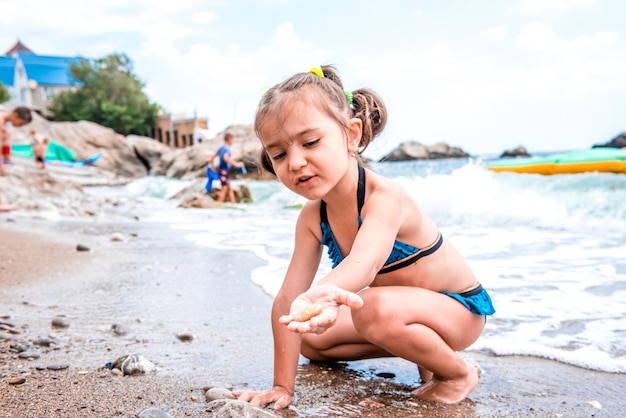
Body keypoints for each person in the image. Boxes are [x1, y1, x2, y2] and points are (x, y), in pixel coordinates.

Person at [233, 65, 495, 409]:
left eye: (310, 142)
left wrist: (321, 297)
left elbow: (365, 265)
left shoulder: (383, 197)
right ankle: (424, 356)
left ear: (351, 135)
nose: (295, 162)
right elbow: (287, 299)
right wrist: (283, 386)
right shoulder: (313, 216)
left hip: (458, 312)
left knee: (370, 307)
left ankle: (456, 373)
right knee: (309, 337)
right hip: (404, 311)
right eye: (279, 154)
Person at [209, 132, 245, 203]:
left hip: (221, 171)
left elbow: (212, 158)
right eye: (232, 140)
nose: (232, 142)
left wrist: (213, 168)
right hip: (224, 171)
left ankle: (233, 204)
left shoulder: (221, 148)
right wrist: (236, 164)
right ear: (229, 139)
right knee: (224, 188)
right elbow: (225, 158)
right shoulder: (227, 148)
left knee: (230, 188)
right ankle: (219, 204)